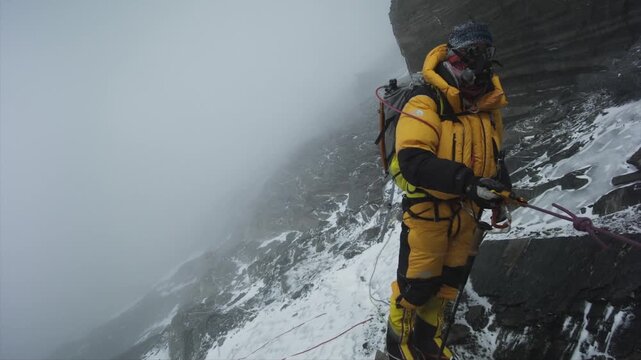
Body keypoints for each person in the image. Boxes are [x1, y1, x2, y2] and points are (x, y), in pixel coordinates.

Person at [385, 22, 512, 360]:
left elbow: (496, 159)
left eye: (484, 54)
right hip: (428, 212)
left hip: (467, 216)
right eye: (469, 54)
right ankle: (398, 347)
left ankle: (427, 342)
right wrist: (469, 183)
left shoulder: (487, 108)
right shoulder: (426, 100)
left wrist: (503, 198)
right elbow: (412, 160)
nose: (476, 64)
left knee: (446, 287)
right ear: (452, 57)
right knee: (417, 285)